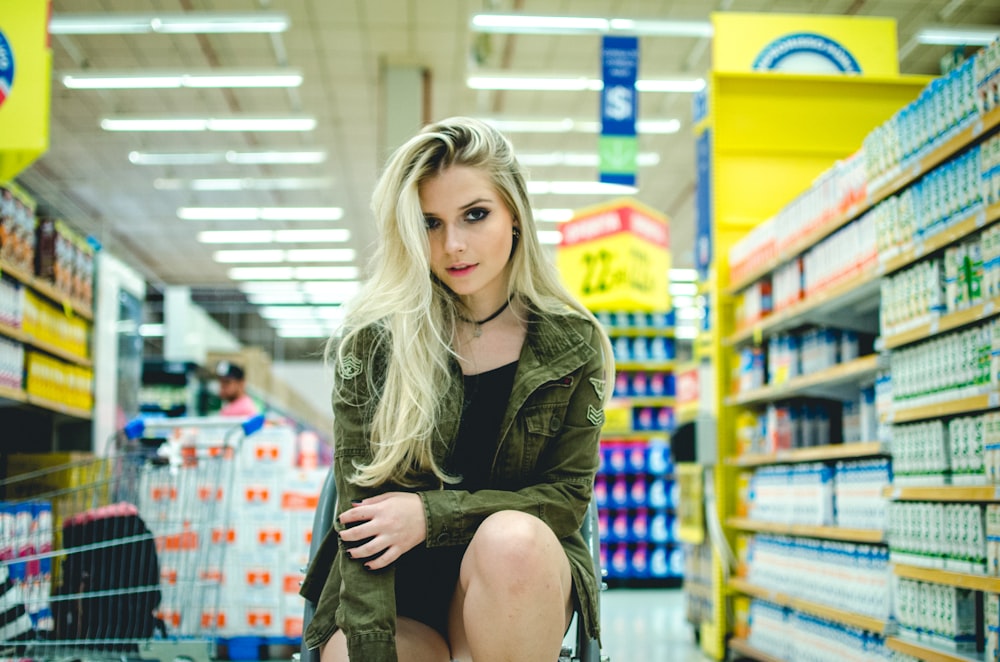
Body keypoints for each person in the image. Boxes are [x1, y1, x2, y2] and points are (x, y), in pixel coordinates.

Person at [299, 116, 615, 662]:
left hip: (516, 581)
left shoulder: (572, 345)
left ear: (514, 215)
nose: (453, 245)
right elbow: (358, 516)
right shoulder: (375, 343)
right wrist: (369, 649)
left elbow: (564, 501)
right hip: (395, 590)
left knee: (510, 542)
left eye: (475, 214)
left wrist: (430, 515)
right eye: (430, 223)